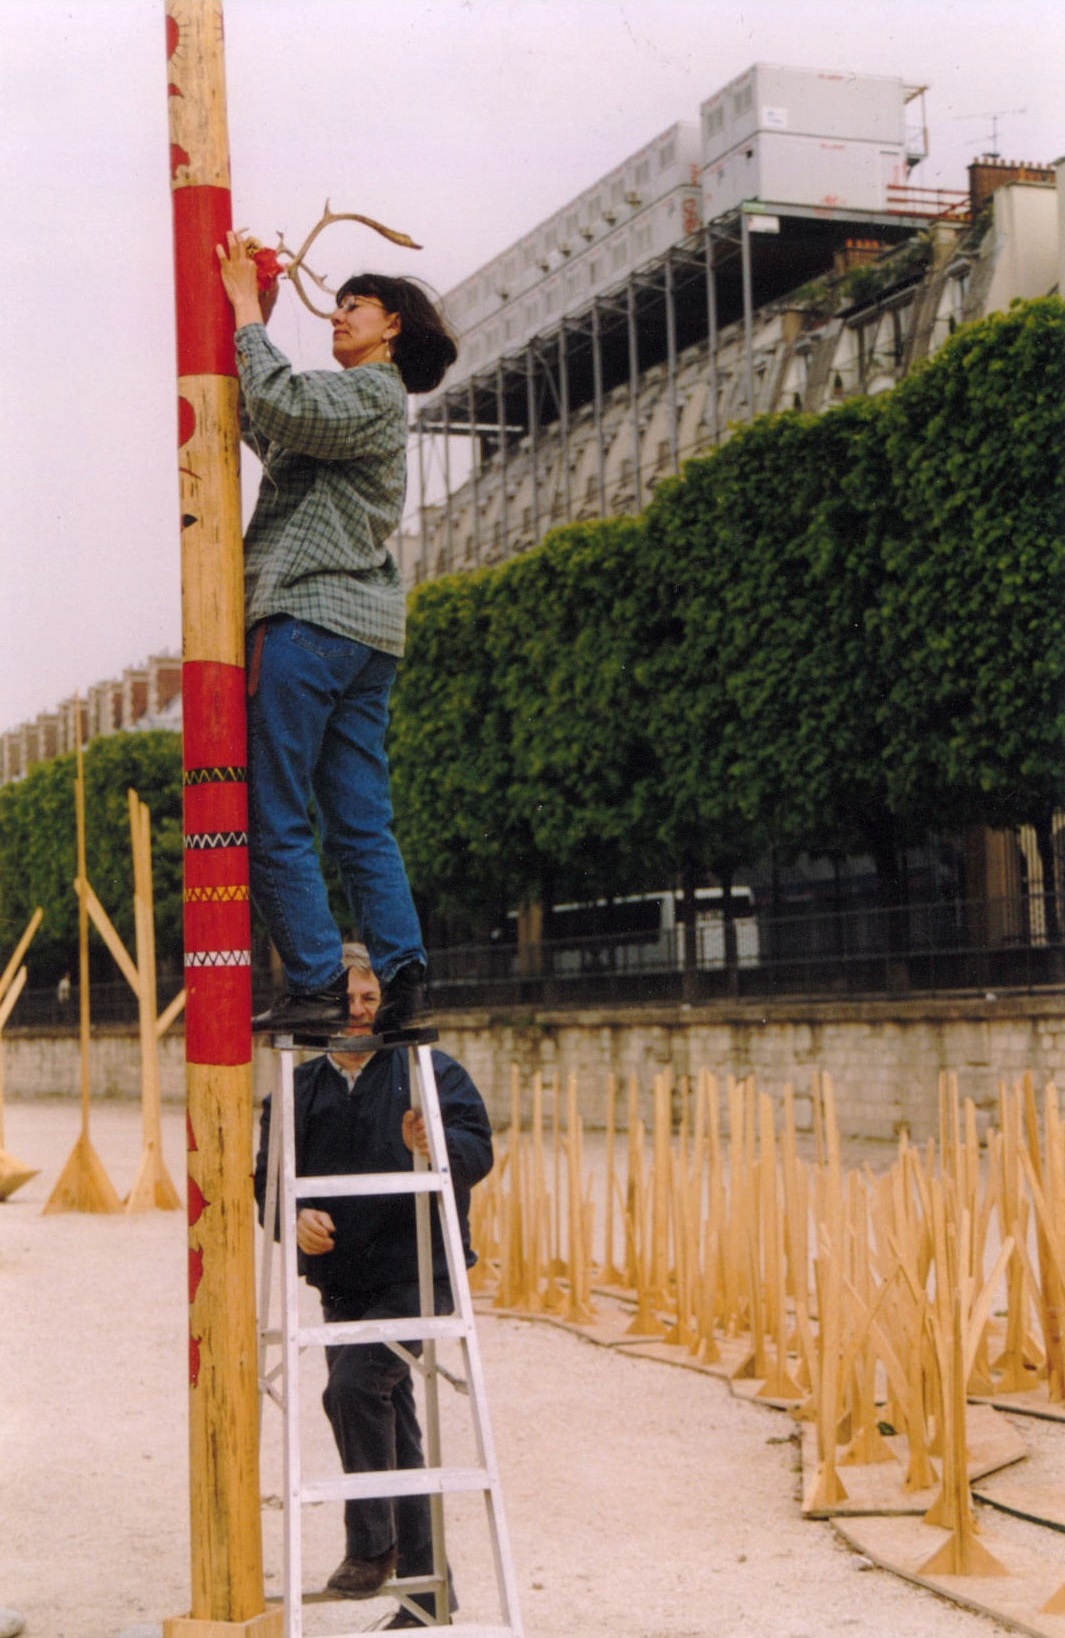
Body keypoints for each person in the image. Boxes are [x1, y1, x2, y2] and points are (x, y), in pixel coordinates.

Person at [216, 231, 458, 1037]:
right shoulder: (365, 409)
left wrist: (248, 309)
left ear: (393, 325)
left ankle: (319, 982)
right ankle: (404, 979)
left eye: (355, 302)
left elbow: (283, 405)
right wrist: (260, 318)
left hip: (309, 620)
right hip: (364, 633)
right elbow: (268, 423)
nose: (340, 313)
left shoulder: (371, 393)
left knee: (277, 811)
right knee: (359, 819)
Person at [253, 942, 493, 1624]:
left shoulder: (427, 1072)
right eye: (345, 1000)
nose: (357, 1013)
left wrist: (434, 1145)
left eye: (367, 999)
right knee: (392, 1422)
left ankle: (371, 1545)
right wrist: (294, 1219)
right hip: (345, 1284)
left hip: (420, 1274)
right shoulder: (296, 1090)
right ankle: (424, 1593)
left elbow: (480, 1150)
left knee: (353, 1387)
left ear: (385, 1002)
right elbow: (266, 1183)